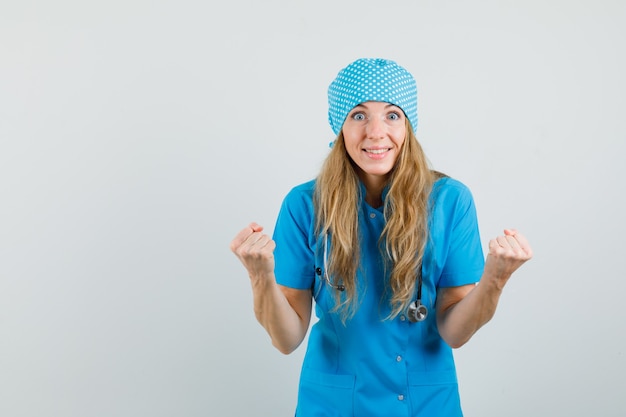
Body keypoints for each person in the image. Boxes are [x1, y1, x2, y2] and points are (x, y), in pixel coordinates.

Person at [230, 57, 533, 417]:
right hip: (332, 405)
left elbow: (454, 332)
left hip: (425, 403)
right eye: (358, 115)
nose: (376, 132)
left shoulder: (449, 201)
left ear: (408, 126)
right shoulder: (305, 205)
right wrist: (260, 277)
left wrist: (495, 279)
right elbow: (286, 338)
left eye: (392, 115)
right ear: (339, 125)